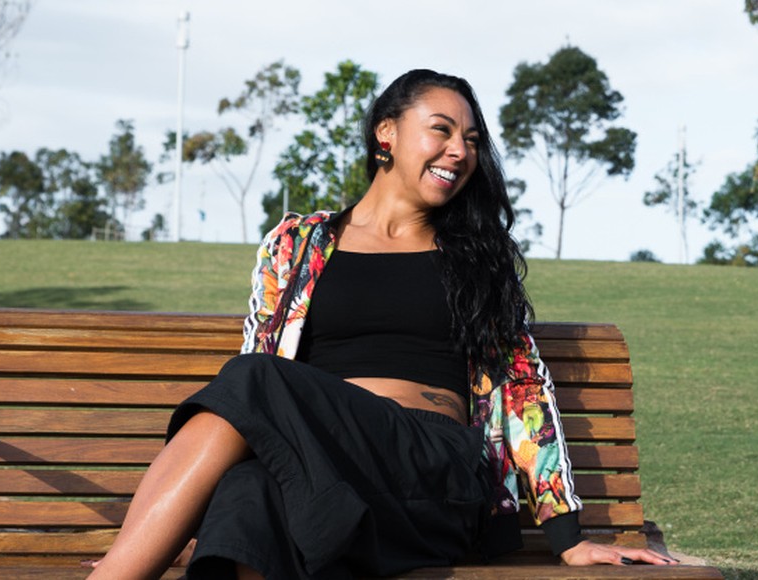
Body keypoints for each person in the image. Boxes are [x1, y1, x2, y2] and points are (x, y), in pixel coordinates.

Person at [87, 69, 676, 579]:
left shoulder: (476, 256)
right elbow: (264, 356)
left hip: (434, 474)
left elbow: (522, 387)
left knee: (252, 378)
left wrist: (566, 537)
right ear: (386, 132)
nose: (459, 151)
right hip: (330, 475)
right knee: (248, 495)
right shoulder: (298, 244)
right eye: (441, 130)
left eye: (471, 140)